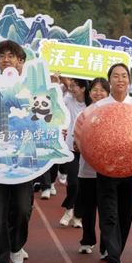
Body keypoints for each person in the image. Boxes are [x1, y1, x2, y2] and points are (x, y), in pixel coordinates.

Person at [89, 63, 132, 263]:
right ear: (110, 80)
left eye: (124, 76)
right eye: (116, 76)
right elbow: (89, 136)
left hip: (131, 168)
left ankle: (116, 250)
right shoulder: (99, 106)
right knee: (108, 212)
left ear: (129, 80)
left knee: (125, 213)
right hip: (105, 168)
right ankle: (114, 260)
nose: (120, 80)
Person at [0, 40, 32, 263]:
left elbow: (46, 116)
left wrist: (55, 131)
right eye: (2, 55)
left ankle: (16, 243)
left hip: (24, 161)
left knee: (23, 209)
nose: (6, 59)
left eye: (11, 55)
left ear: (21, 61)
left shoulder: (32, 87)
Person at [74, 77, 109, 256]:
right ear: (89, 92)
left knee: (106, 209)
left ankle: (106, 245)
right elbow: (77, 138)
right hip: (87, 170)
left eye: (102, 90)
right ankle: (87, 240)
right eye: (95, 89)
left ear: (108, 93)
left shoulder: (114, 112)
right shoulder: (85, 114)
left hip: (108, 171)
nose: (98, 93)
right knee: (88, 208)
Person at [59, 78, 90, 227]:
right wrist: (63, 81)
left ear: (83, 88)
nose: (72, 88)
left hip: (87, 149)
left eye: (75, 86)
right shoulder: (69, 100)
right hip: (71, 147)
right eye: (71, 86)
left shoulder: (91, 104)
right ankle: (69, 210)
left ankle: (78, 215)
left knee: (83, 186)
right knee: (73, 182)